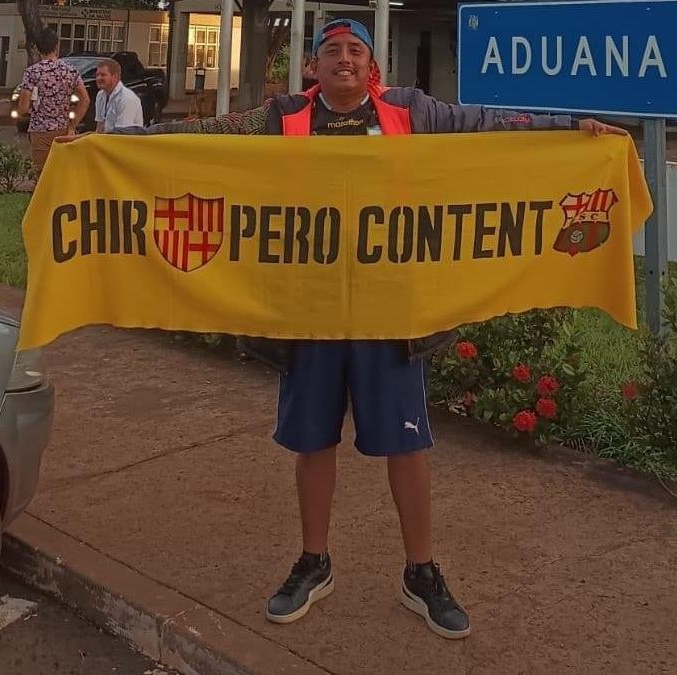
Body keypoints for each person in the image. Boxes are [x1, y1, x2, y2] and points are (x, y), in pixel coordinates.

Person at [58, 18, 625, 640]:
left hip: (393, 312)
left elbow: (491, 124)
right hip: (311, 309)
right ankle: (314, 561)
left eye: (356, 50)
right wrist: (104, 143)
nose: (344, 60)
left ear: (371, 63)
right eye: (332, 51)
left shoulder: (412, 112)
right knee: (312, 440)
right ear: (314, 66)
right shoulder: (282, 116)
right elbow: (198, 134)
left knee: (408, 444)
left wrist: (573, 128)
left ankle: (421, 571)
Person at [17, 28, 89, 176]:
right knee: (61, 174)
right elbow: (85, 99)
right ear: (57, 46)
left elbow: (23, 107)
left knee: (42, 175)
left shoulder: (32, 72)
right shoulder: (70, 70)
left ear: (37, 48)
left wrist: (27, 112)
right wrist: (72, 124)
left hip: (40, 130)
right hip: (63, 129)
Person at [92, 58, 143, 133]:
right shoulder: (100, 95)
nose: (98, 78)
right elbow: (99, 129)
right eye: (97, 75)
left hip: (125, 142)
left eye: (103, 75)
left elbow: (121, 135)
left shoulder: (127, 98)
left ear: (115, 76)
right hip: (107, 140)